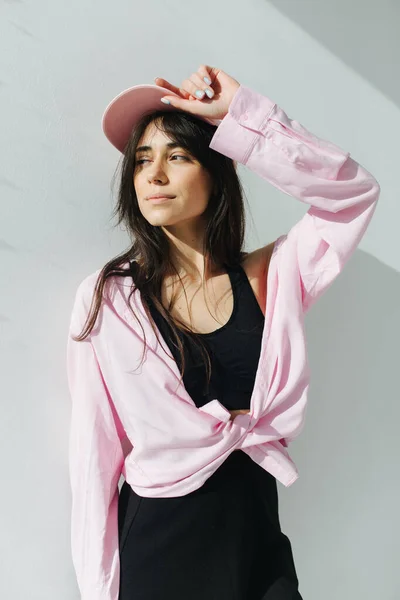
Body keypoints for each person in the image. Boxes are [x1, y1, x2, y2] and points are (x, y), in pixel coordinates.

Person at [66, 65, 380, 600]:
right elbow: (94, 457)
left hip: (257, 550)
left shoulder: (269, 278)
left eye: (178, 156)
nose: (154, 175)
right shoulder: (110, 299)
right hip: (160, 557)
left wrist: (245, 119)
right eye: (142, 160)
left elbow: (351, 196)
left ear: (216, 169)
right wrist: (98, 590)